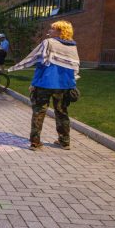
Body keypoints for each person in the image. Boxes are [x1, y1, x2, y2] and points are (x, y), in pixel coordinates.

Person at [8, 20, 80, 151]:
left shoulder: (48, 43)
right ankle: (65, 142)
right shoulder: (72, 46)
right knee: (62, 112)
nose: (49, 31)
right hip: (64, 85)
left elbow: (37, 61)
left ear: (60, 31)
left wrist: (32, 82)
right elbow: (73, 67)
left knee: (39, 112)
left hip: (44, 83)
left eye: (52, 29)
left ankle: (35, 142)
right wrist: (72, 84)